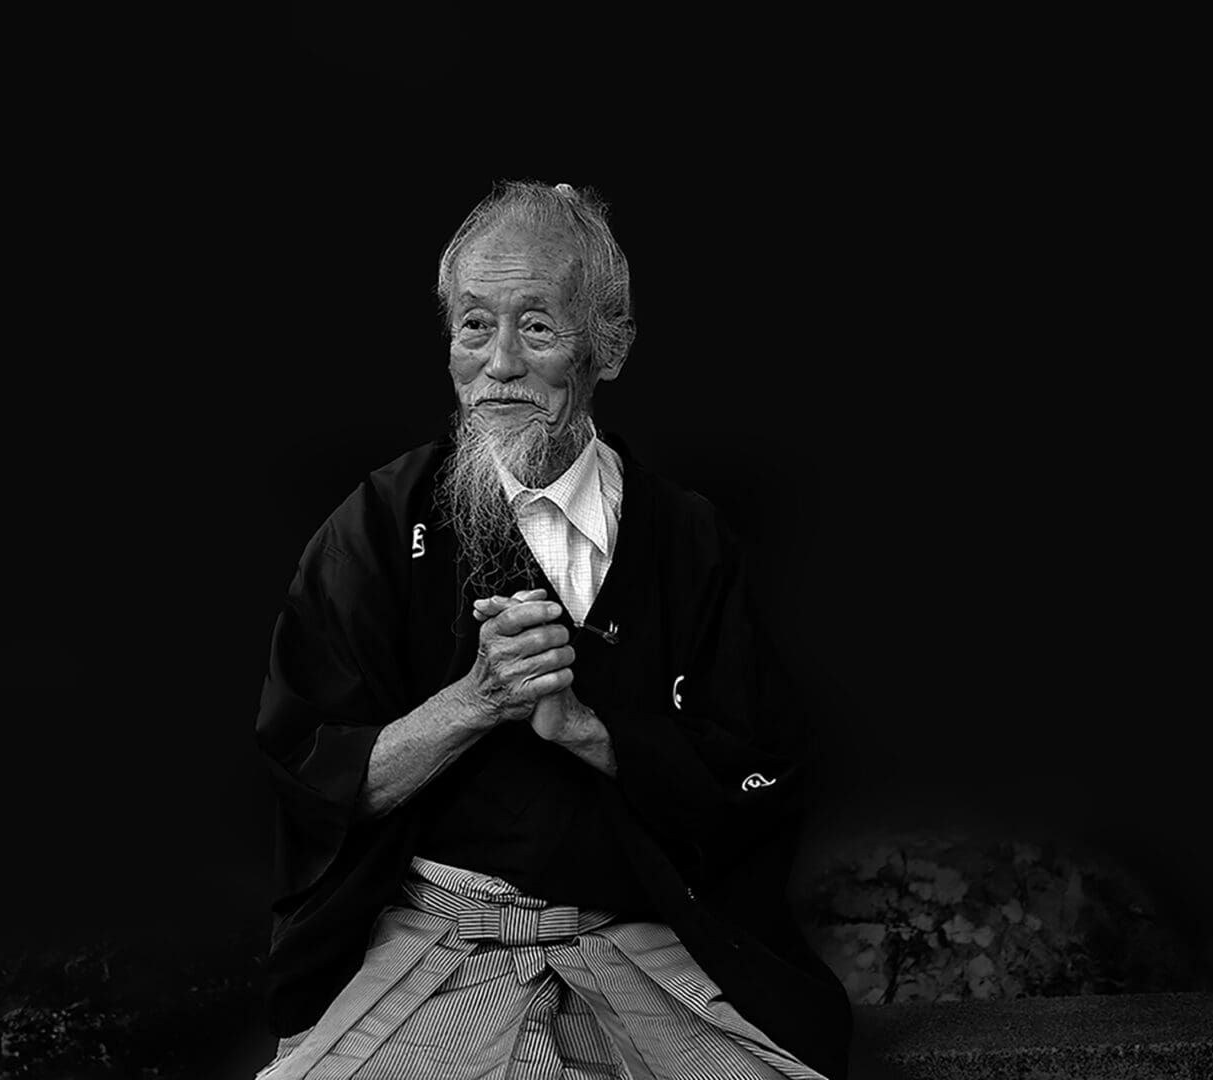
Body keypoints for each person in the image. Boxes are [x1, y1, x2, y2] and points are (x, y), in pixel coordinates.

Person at [253, 180, 852, 1079]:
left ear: (607, 346)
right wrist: (472, 702)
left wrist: (595, 733)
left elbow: (756, 773)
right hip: (436, 947)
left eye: (536, 328)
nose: (498, 365)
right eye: (472, 327)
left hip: (639, 939)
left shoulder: (687, 539)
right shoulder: (378, 524)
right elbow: (310, 777)